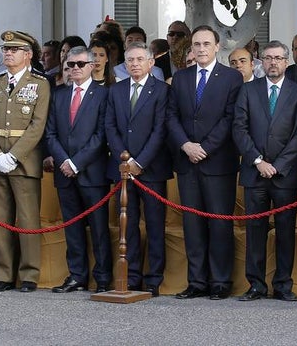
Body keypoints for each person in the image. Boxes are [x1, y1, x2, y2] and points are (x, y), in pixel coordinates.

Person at [166, 25, 243, 300]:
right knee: (193, 224)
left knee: (219, 223)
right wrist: (186, 145)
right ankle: (196, 281)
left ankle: (220, 281)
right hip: (188, 161)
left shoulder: (231, 78)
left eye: (206, 44)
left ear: (217, 46)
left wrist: (205, 148)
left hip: (218, 161)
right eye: (196, 45)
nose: (200, 49)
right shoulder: (181, 78)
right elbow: (171, 116)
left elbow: (230, 118)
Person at [0, 30, 51, 293]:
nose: (8, 53)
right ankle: (3, 274)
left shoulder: (40, 85)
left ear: (28, 55)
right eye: (6, 50)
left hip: (24, 161)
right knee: (0, 220)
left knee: (27, 219)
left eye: (14, 50)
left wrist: (13, 155)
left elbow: (37, 125)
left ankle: (29, 274)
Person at [233, 41, 297, 302]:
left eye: (278, 58)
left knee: (286, 230)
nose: (273, 62)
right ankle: (256, 285)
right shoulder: (248, 91)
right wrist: (257, 161)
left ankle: (283, 285)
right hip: (255, 172)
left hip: (285, 174)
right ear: (260, 62)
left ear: (286, 62)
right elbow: (239, 129)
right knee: (255, 230)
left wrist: (279, 165)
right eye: (268, 58)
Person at [104, 41, 171, 295]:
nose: (134, 64)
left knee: (154, 225)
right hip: (123, 170)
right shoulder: (116, 90)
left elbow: (160, 130)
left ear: (151, 63)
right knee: (127, 225)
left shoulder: (162, 90)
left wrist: (139, 162)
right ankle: (130, 276)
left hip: (151, 169)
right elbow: (110, 126)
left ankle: (153, 278)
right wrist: (125, 161)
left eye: (139, 60)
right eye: (130, 60)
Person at [45, 47, 112, 294]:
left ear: (92, 65)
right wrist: (64, 160)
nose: (74, 68)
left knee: (99, 228)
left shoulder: (104, 94)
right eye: (70, 64)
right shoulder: (59, 94)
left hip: (92, 172)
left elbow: (101, 134)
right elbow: (50, 133)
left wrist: (76, 162)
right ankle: (77, 275)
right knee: (72, 227)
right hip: (64, 172)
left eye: (80, 64)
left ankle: (103, 277)